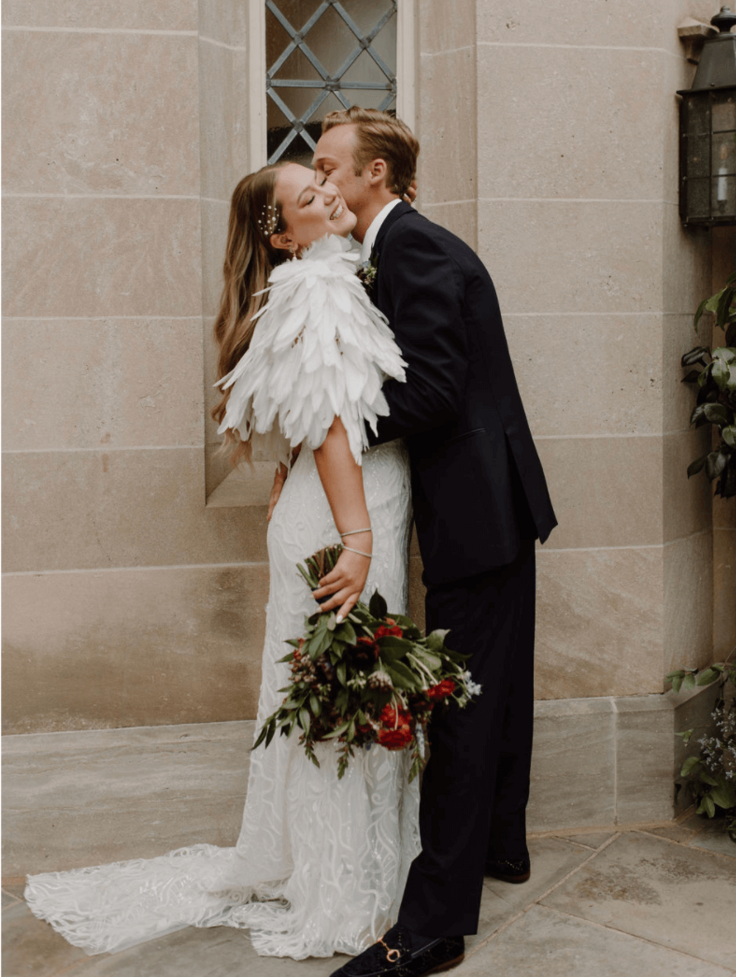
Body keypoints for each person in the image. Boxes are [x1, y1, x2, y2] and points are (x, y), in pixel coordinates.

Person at [23, 161, 421, 960]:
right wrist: (359, 539)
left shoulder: (326, 278)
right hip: (347, 520)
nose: (330, 195)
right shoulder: (316, 289)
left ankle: (341, 867)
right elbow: (335, 426)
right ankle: (341, 887)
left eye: (323, 181)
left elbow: (308, 416)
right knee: (346, 693)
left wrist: (295, 479)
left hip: (336, 506)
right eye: (309, 198)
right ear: (281, 234)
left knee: (341, 692)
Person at [310, 107, 557, 977]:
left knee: (460, 706)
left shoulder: (409, 248)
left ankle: (433, 927)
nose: (320, 180)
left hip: (475, 510)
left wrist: (336, 421)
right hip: (495, 500)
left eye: (331, 166)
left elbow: (439, 388)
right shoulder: (408, 243)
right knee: (497, 691)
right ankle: (503, 846)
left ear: (377, 173)